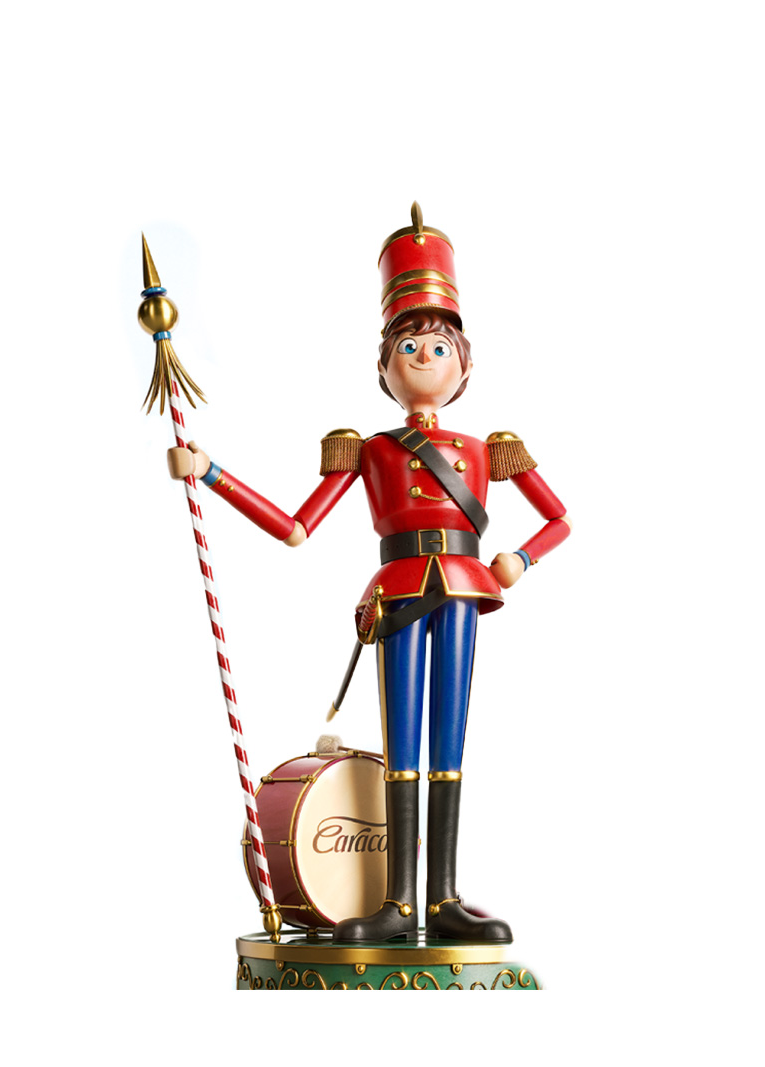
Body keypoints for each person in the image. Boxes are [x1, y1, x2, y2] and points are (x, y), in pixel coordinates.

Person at [166, 204, 571, 942]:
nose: (423, 356)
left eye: (439, 346)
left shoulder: (490, 448)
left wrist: (521, 557)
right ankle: (398, 903)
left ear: (466, 364)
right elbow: (295, 527)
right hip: (398, 593)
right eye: (407, 345)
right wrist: (212, 472)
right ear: (383, 367)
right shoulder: (369, 449)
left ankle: (442, 899)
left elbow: (560, 519)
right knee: (402, 745)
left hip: (464, 588)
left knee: (449, 743)